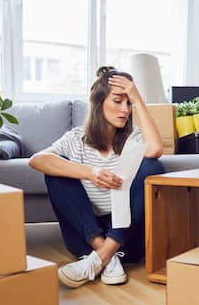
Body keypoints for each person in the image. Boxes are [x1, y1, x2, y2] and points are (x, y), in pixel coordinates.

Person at [28, 66, 165, 288]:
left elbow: (156, 150)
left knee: (152, 166)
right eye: (118, 101)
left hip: (126, 239)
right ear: (99, 103)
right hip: (86, 238)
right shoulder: (75, 139)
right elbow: (37, 160)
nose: (125, 110)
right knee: (56, 170)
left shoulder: (134, 137)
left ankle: (101, 258)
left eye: (128, 103)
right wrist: (89, 173)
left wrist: (137, 97)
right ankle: (105, 254)